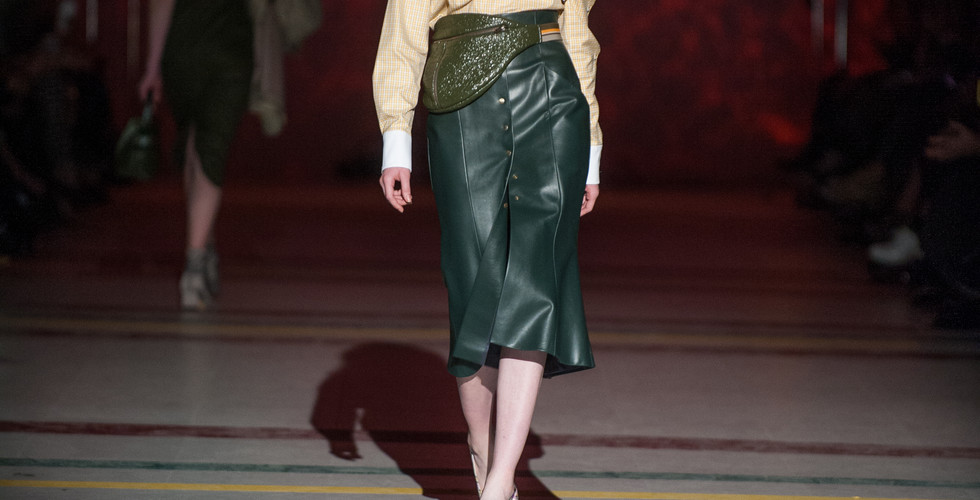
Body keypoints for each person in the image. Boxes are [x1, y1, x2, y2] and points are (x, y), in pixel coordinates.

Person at [374, 1, 602, 499]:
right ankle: (482, 446)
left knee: (534, 285)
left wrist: (591, 150)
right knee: (474, 283)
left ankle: (500, 482)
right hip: (463, 89)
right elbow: (405, 26)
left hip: (551, 87)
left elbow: (578, 31)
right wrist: (396, 138)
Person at [138, 0, 253, 310]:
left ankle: (197, 261)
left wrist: (152, 66)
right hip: (222, 47)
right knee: (204, 147)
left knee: (200, 146)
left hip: (193, 49)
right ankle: (199, 257)